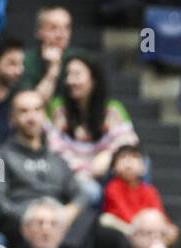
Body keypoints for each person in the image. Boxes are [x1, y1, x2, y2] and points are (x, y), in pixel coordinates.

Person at [0, 90, 92, 248]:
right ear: (12, 118)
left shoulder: (57, 159)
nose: (31, 117)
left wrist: (68, 212)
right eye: (24, 111)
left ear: (44, 116)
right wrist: (34, 218)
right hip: (21, 221)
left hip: (57, 218)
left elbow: (81, 193)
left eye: (37, 110)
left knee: (90, 218)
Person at [46, 55, 137, 205]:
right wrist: (83, 170)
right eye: (68, 74)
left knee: (140, 163)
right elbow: (54, 146)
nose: (70, 81)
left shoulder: (113, 109)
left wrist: (108, 155)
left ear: (93, 79)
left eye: (77, 75)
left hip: (105, 172)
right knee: (90, 190)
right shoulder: (58, 108)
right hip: (70, 173)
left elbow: (128, 140)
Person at [99, 144, 171, 237]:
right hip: (127, 232)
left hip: (147, 233)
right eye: (123, 157)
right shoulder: (112, 187)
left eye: (134, 157)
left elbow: (159, 214)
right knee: (106, 219)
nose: (128, 162)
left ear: (144, 168)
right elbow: (124, 214)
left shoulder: (149, 190)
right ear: (114, 167)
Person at [20, 4, 76, 104]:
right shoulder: (24, 61)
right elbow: (31, 106)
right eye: (53, 28)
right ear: (39, 31)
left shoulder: (79, 60)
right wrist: (52, 70)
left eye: (66, 28)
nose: (61, 35)